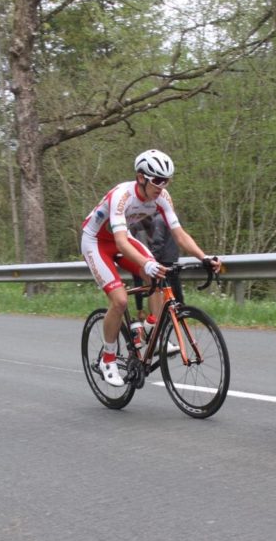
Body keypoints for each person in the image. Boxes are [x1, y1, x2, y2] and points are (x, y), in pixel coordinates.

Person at [82, 149, 221, 387]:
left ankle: (150, 329)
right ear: (141, 178)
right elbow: (121, 243)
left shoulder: (163, 197)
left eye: (166, 181)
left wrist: (204, 256)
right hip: (96, 241)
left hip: (121, 238)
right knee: (120, 300)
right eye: (157, 180)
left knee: (158, 275)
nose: (162, 186)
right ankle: (108, 358)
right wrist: (146, 263)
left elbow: (179, 234)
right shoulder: (122, 196)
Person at [128, 213, 180, 333]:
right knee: (150, 284)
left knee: (155, 285)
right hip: (138, 256)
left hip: (149, 256)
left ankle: (155, 323)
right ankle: (152, 322)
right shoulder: (139, 222)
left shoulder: (155, 219)